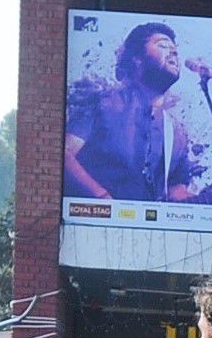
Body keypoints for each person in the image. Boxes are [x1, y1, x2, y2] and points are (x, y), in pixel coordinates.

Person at [65, 19, 202, 202]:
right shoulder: (102, 104)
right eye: (162, 45)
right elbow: (63, 154)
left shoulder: (177, 133)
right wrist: (101, 197)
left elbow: (175, 193)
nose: (174, 51)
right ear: (137, 60)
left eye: (175, 48)